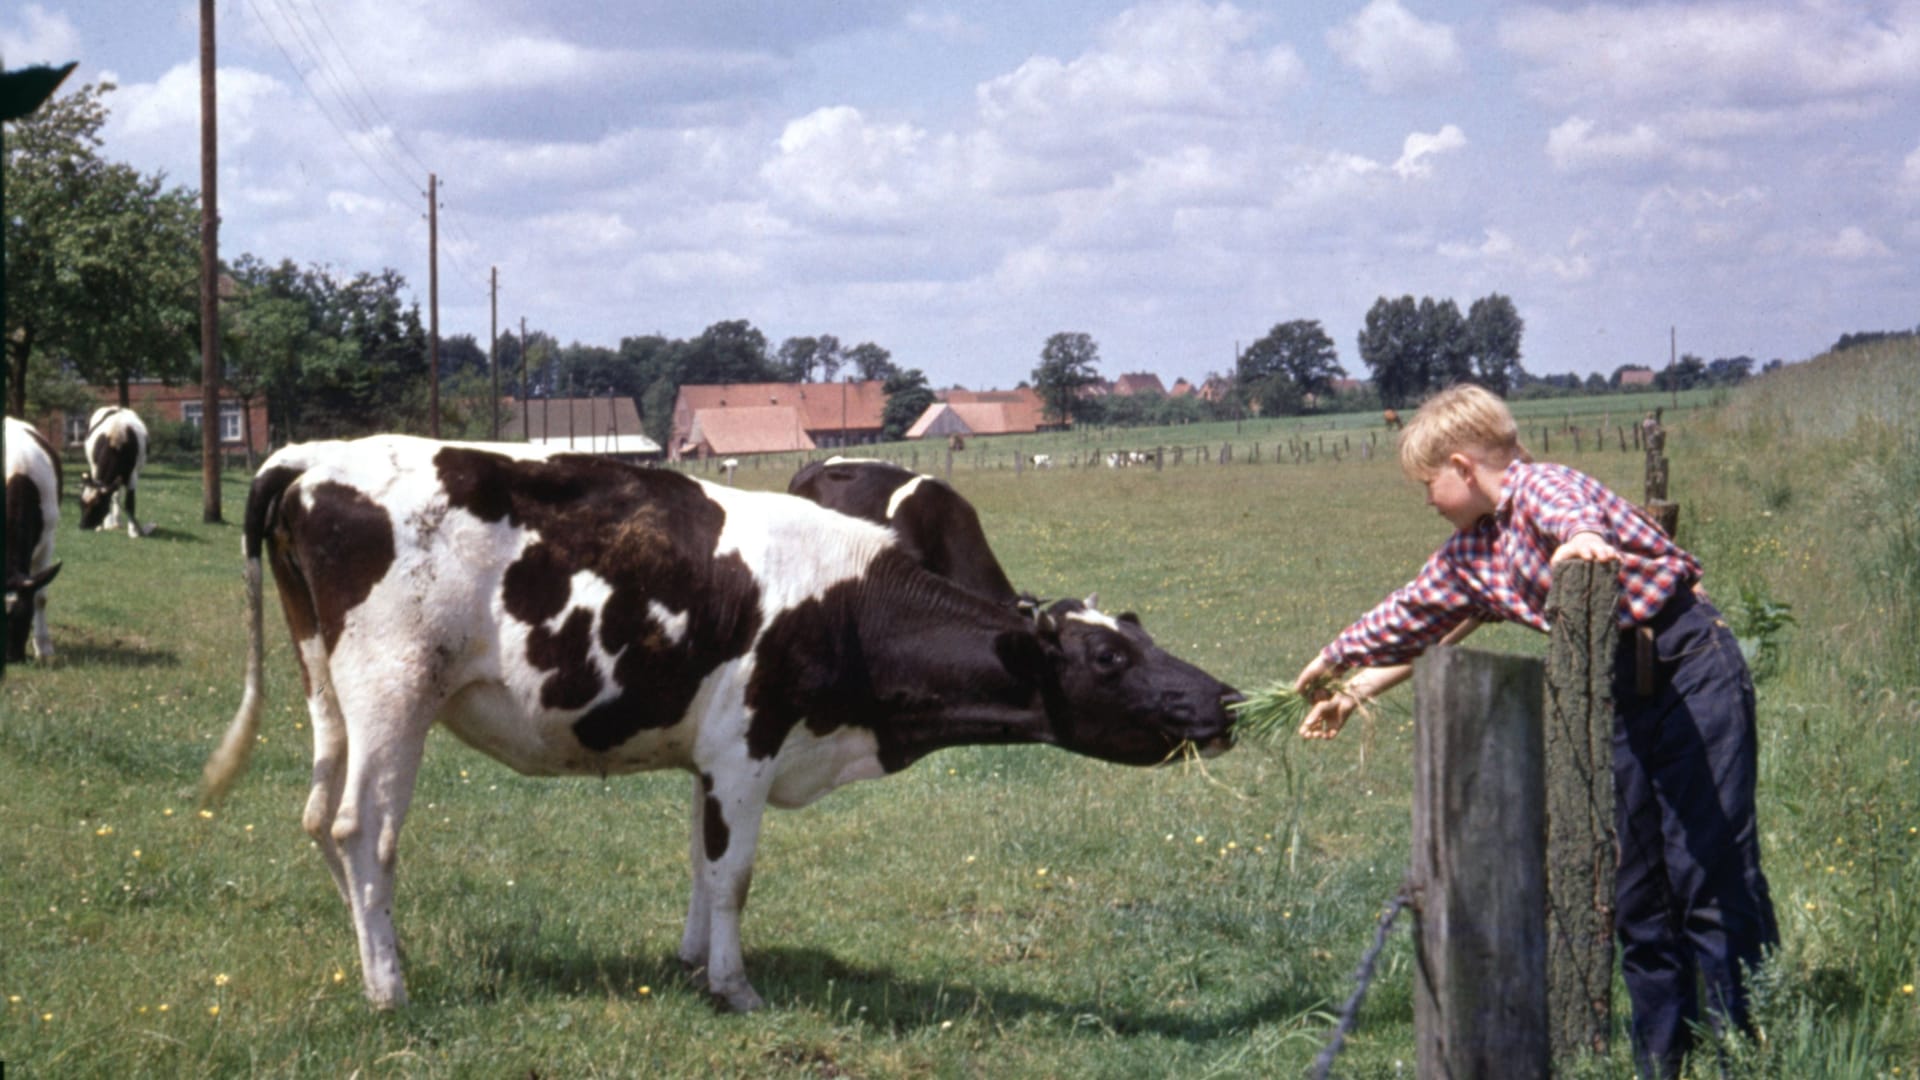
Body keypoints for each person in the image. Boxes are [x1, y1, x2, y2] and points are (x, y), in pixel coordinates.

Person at [1293, 384, 1778, 1079]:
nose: (1426, 499)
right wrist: (1339, 661)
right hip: (1615, 695)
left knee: (1707, 870)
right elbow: (1411, 611)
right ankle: (1660, 1062)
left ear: (1461, 466)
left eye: (1429, 483)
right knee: (1638, 890)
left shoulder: (1544, 489)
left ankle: (1746, 1051)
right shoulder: (1474, 553)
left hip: (1688, 669)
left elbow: (1572, 516)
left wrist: (1583, 542)